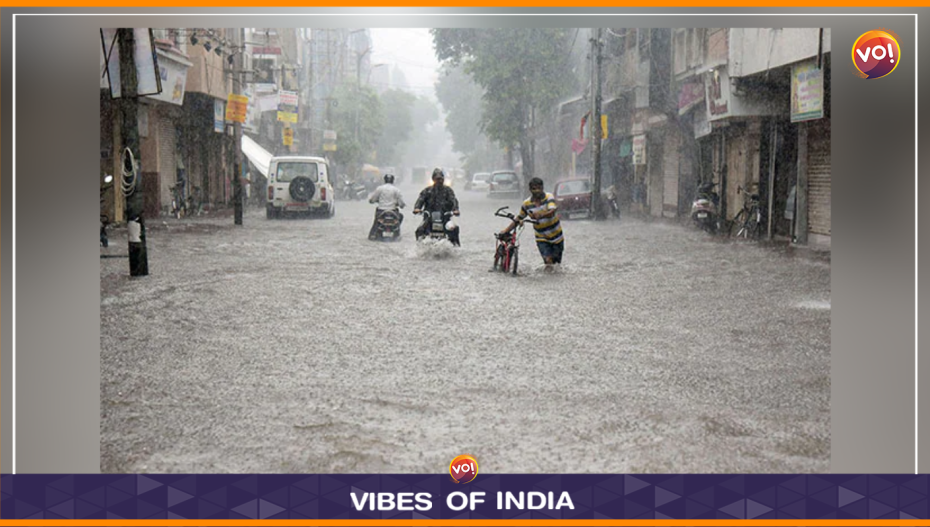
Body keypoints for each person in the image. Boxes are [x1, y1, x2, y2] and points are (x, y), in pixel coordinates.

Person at [500, 177, 563, 272]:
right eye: (534, 189)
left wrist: (541, 215)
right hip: (541, 237)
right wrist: (506, 230)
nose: (537, 191)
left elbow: (552, 211)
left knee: (556, 264)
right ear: (530, 189)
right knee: (548, 261)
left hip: (557, 237)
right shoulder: (526, 204)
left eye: (539, 188)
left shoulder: (549, 197)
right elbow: (519, 218)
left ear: (542, 188)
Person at [413, 168, 461, 246]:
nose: (439, 181)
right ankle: (419, 247)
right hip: (429, 219)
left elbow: (454, 201)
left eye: (441, 179)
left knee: (454, 229)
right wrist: (417, 208)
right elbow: (420, 200)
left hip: (445, 219)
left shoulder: (448, 191)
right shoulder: (427, 191)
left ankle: (456, 247)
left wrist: (456, 210)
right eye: (437, 179)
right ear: (433, 179)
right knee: (419, 230)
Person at [368, 173, 406, 240]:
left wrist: (373, 201)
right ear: (393, 180)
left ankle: (373, 234)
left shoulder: (379, 189)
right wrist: (401, 205)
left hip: (381, 210)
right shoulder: (396, 190)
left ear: (384, 180)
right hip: (393, 210)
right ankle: (396, 233)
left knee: (376, 222)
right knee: (400, 217)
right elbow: (401, 203)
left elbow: (372, 199)